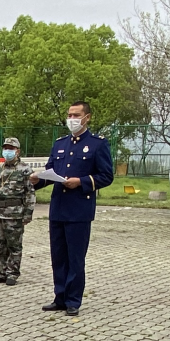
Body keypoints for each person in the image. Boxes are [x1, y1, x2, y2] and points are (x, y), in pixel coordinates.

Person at [37, 100, 113, 315]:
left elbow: (106, 176)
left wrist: (81, 182)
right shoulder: (60, 143)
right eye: (69, 115)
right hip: (58, 209)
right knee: (58, 257)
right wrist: (37, 180)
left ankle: (73, 300)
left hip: (79, 210)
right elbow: (51, 171)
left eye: (76, 115)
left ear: (87, 117)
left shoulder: (97, 144)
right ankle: (59, 297)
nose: (72, 119)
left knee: (75, 258)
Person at [0, 137, 34, 284]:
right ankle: (1, 272)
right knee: (0, 245)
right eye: (6, 148)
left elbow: (30, 193)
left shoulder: (25, 169)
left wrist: (28, 214)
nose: (8, 151)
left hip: (15, 213)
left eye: (11, 149)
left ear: (17, 151)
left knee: (14, 245)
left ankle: (12, 273)